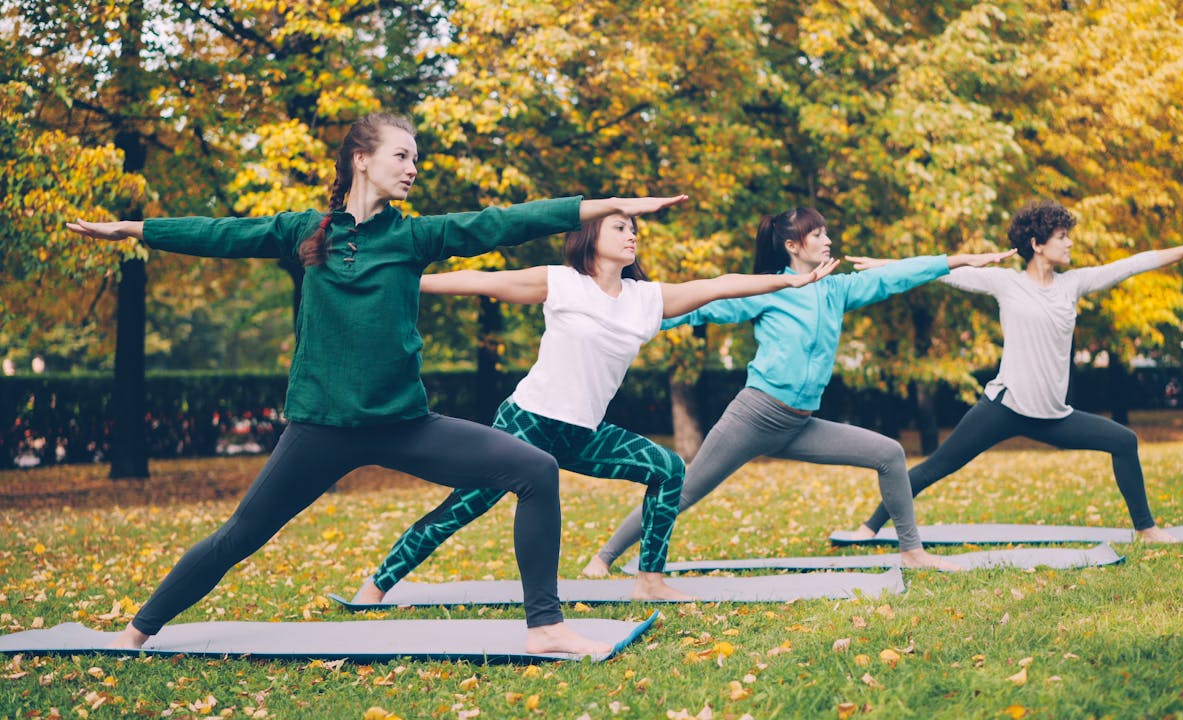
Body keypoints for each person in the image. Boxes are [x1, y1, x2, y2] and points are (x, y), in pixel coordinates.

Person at [66, 112, 687, 656]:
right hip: (320, 431)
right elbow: (222, 233)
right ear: (361, 160)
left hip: (403, 426)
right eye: (402, 155)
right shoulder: (304, 232)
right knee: (239, 537)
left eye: (416, 158)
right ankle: (137, 632)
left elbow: (503, 222)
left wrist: (605, 206)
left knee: (535, 470)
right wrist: (136, 229)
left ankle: (544, 626)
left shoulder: (413, 236)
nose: (413, 167)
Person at [353, 213, 840, 605]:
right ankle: (376, 586)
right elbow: (483, 280)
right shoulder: (563, 283)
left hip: (583, 433)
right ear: (590, 235)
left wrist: (788, 285)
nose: (631, 235)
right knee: (462, 509)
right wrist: (404, 285)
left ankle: (649, 579)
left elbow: (718, 285)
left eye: (634, 229)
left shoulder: (646, 299)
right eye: (620, 227)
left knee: (668, 469)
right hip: (528, 422)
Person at [587, 207, 1015, 575]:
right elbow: (700, 306)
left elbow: (897, 276)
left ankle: (912, 552)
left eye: (825, 233)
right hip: (754, 416)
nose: (828, 240)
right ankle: (603, 558)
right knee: (684, 490)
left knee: (889, 454)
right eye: (818, 234)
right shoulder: (767, 288)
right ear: (793, 245)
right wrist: (626, 316)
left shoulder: (836, 289)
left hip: (800, 423)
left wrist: (959, 261)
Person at [849, 200, 1183, 543]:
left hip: (1053, 416)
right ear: (1036, 244)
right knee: (936, 466)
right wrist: (884, 266)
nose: (1069, 243)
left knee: (1124, 441)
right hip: (1002, 408)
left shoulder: (1074, 285)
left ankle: (1146, 529)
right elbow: (938, 270)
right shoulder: (1004, 282)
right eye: (1061, 236)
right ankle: (870, 526)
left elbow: (1134, 264)